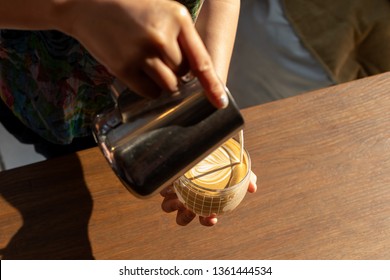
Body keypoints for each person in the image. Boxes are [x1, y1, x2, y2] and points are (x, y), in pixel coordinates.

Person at [0, 0, 257, 226]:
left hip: (147, 108)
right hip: (40, 90)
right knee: (56, 166)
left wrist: (202, 112)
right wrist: (75, 10)